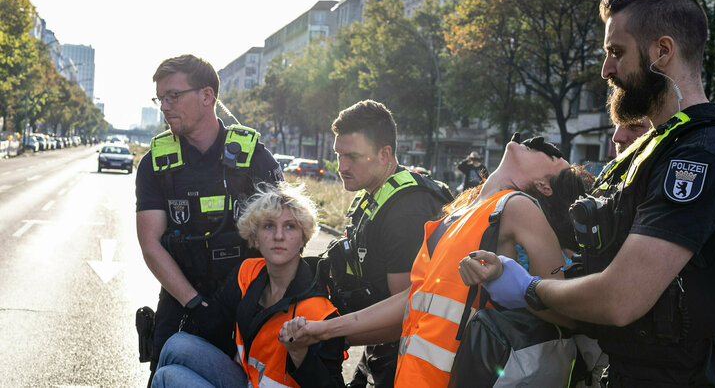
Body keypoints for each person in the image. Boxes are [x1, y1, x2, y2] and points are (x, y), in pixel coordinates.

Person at [459, 0, 715, 387]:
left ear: (662, 51)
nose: (607, 69)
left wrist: (528, 288)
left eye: (617, 52)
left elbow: (619, 299)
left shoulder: (701, 156)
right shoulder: (653, 151)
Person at [279, 134, 593, 387]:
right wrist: (325, 330)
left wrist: (519, 286)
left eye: (550, 152)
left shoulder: (518, 207)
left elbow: (567, 313)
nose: (537, 139)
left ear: (544, 185)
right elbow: (413, 302)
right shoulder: (461, 211)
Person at [135, 54, 281, 377]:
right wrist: (195, 305)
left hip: (248, 310)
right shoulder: (155, 165)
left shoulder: (254, 159)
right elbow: (150, 244)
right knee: (165, 378)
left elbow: (284, 239)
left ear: (206, 96)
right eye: (160, 99)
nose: (164, 107)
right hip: (181, 306)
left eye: (173, 96)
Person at [152, 182, 344, 388]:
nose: (279, 236)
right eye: (269, 226)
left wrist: (299, 354)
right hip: (248, 380)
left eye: (290, 226)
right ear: (255, 238)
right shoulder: (249, 272)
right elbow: (214, 323)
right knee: (176, 344)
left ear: (303, 237)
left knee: (167, 377)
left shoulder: (320, 311)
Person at [327, 100, 452, 388]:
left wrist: (328, 334)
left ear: (385, 155)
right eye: (338, 155)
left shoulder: (406, 211)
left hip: (408, 360)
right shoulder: (378, 191)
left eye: (352, 156)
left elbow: (406, 317)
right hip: (381, 351)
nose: (341, 166)